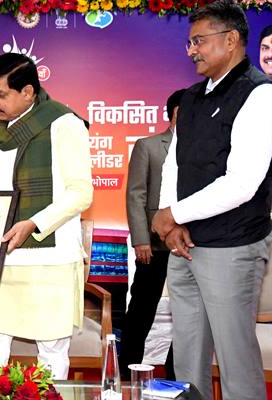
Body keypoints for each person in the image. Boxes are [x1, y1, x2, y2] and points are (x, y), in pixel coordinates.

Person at [152, 1, 272, 398]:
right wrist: (170, 221)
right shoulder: (190, 97)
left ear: (232, 39)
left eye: (199, 41)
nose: (192, 51)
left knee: (236, 362)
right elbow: (174, 163)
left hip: (232, 248)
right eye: (190, 42)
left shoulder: (259, 94)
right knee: (187, 359)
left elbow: (242, 183)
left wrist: (173, 213)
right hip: (183, 244)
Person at [0, 53, 93, 380]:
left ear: (28, 92)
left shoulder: (65, 124)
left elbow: (81, 192)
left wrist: (34, 224)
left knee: (51, 348)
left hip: (50, 257)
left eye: (1, 94)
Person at [119, 89, 185, 381]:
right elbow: (136, 195)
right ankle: (125, 373)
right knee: (141, 311)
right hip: (154, 245)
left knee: (187, 314)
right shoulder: (148, 146)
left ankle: (176, 372)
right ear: (173, 114)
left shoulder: (203, 149)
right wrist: (141, 239)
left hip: (191, 246)